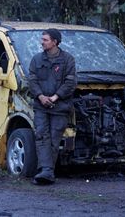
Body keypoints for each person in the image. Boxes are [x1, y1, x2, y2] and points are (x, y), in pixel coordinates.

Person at [29, 28, 77, 185]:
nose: (41, 42)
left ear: (55, 42)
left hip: (60, 107)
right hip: (41, 106)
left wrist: (55, 97)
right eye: (42, 39)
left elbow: (70, 83)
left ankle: (46, 171)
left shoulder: (68, 60)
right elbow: (32, 81)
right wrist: (41, 97)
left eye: (45, 40)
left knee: (54, 139)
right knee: (42, 136)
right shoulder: (36, 60)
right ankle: (46, 172)